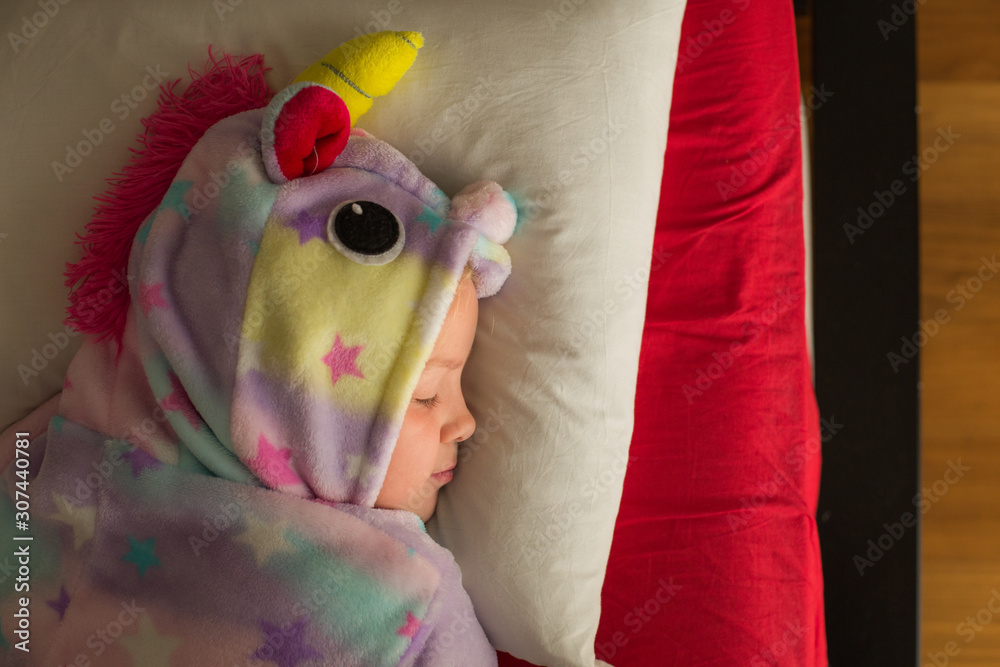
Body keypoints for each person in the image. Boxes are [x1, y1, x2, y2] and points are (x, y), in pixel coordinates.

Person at [0, 30, 516, 665]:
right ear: (285, 399)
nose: (464, 423)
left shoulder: (35, 471)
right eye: (428, 394)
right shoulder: (402, 603)